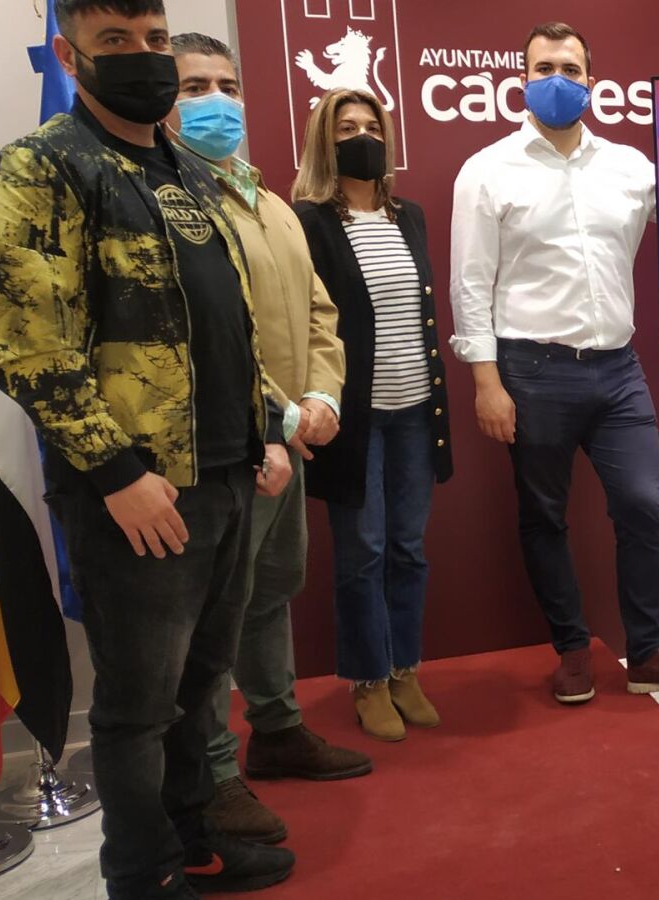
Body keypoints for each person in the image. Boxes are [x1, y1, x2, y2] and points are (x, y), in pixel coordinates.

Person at [0, 2, 297, 896]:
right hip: (138, 490)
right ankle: (143, 873)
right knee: (137, 707)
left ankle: (195, 840)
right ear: (68, 54)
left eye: (156, 40)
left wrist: (264, 429)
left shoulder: (187, 169)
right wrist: (118, 473)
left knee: (201, 688)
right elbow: (28, 345)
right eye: (116, 42)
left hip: (226, 472)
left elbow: (222, 323)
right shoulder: (42, 167)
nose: (145, 57)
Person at [449, 21, 659, 704]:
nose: (557, 81)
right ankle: (571, 650)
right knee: (544, 517)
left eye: (570, 69)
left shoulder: (629, 167)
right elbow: (470, 283)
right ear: (522, 81)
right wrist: (485, 381)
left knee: (644, 507)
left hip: (618, 370)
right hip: (531, 371)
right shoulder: (487, 170)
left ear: (591, 81)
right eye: (544, 69)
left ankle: (648, 652)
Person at [165, 33, 373, 846]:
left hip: (294, 440)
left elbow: (320, 311)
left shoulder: (269, 202)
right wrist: (271, 421)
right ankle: (213, 772)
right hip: (228, 452)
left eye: (226, 84)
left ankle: (278, 730)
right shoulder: (169, 203)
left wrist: (320, 396)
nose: (215, 101)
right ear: (162, 97)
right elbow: (198, 334)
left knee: (270, 592)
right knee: (211, 617)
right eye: (194, 87)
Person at [291, 88, 453, 742]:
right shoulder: (308, 222)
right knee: (363, 553)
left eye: (372, 126)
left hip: (415, 412)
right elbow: (307, 323)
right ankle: (368, 678)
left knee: (409, 549)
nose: (362, 137)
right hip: (354, 420)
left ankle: (405, 668)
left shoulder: (409, 216)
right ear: (324, 142)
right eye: (346, 128)